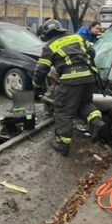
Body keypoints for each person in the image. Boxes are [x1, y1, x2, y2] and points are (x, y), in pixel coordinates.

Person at [33, 19, 106, 156]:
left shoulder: (50, 46)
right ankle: (96, 122)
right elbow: (92, 52)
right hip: (88, 77)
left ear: (47, 34)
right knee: (85, 103)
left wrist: (36, 85)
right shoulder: (77, 37)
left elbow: (42, 69)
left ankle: (63, 144)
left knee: (63, 110)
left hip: (70, 80)